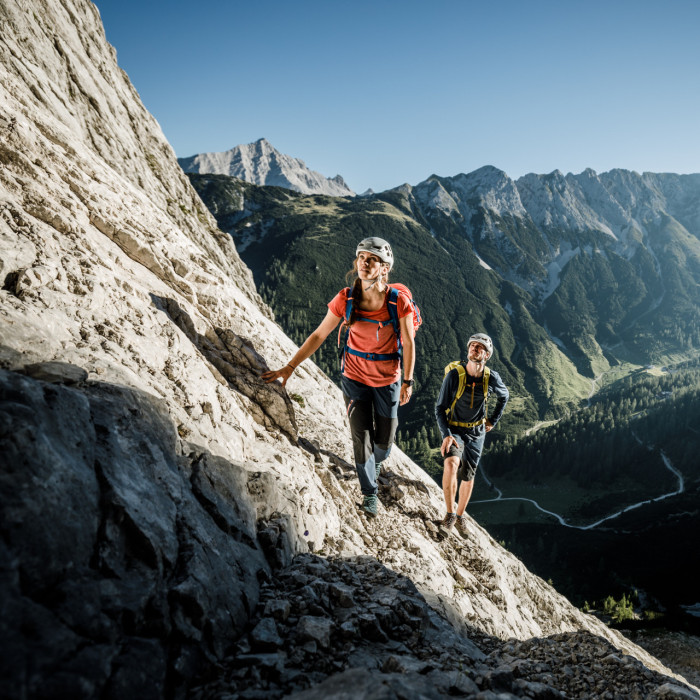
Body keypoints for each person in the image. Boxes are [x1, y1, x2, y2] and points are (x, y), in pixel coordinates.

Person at [262, 237, 415, 517]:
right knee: (361, 436)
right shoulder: (345, 298)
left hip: (387, 380)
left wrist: (407, 381)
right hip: (354, 377)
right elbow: (320, 334)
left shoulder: (398, 302)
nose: (364, 263)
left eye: (372, 259)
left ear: (385, 268)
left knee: (384, 444)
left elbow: (408, 340)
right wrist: (290, 366)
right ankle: (369, 494)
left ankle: (376, 461)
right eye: (361, 258)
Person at [435, 333, 508, 537]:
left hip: (477, 432)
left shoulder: (491, 377)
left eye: (480, 347)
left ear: (487, 355)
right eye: (472, 346)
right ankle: (449, 515)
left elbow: (505, 396)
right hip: (455, 429)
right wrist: (446, 434)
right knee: (451, 464)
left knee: (468, 475)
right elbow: (439, 408)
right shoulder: (454, 375)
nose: (474, 349)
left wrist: (493, 420)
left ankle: (459, 517)